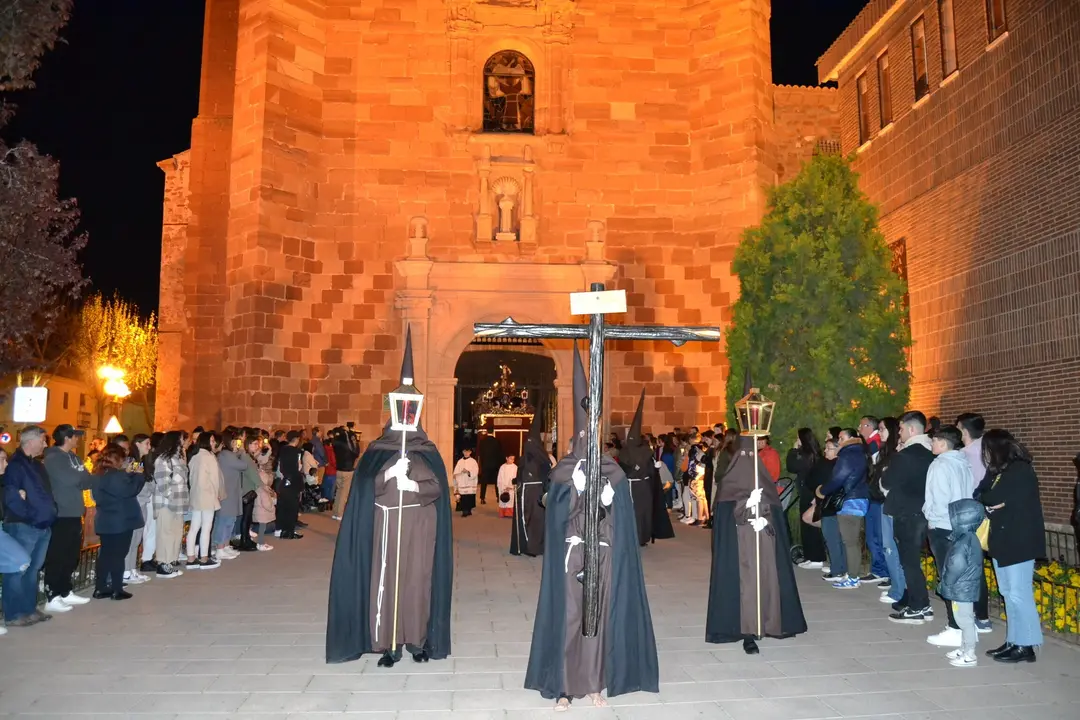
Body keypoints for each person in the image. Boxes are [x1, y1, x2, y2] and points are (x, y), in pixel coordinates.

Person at [525, 342, 658, 710]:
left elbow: (622, 518)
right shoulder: (564, 470)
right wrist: (572, 493)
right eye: (580, 439)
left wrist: (605, 501)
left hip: (603, 553)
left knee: (597, 619)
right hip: (571, 555)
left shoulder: (612, 469)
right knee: (570, 616)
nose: (586, 443)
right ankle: (566, 686)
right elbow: (553, 512)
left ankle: (597, 683)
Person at [326, 327, 453, 668]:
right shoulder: (379, 450)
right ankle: (389, 642)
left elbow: (438, 488)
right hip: (386, 527)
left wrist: (413, 487)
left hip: (420, 528)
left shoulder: (426, 450)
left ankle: (417, 639)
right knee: (389, 582)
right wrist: (387, 475)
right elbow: (364, 488)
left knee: (417, 583)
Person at [708, 428, 807, 654]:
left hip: (764, 545)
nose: (748, 460)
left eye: (751, 455)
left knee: (768, 582)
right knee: (746, 588)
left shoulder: (763, 479)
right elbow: (726, 518)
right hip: (741, 548)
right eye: (743, 455)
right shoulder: (729, 485)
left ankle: (770, 622)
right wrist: (744, 507)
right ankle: (748, 631)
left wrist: (766, 522)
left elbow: (774, 511)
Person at [978, 429, 1045, 664]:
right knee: (1008, 592)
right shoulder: (998, 471)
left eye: (987, 448)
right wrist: (994, 501)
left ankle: (1027, 645)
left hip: (1019, 540)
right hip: (1002, 539)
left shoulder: (1019, 470)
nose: (984, 454)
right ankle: (1014, 640)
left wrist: (995, 501)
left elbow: (993, 497)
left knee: (1019, 593)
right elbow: (981, 493)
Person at [924, 426, 977, 647]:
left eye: (934, 441)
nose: (931, 445)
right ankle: (966, 625)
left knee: (948, 578)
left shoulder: (939, 465)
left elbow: (939, 498)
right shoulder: (964, 464)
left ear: (943, 443)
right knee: (962, 577)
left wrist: (930, 517)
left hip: (943, 526)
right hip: (963, 525)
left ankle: (955, 627)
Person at [1, 427, 57, 627]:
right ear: (31, 441)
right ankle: (14, 613)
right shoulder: (16, 466)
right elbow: (12, 497)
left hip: (42, 524)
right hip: (24, 525)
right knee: (18, 569)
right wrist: (30, 516)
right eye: (43, 440)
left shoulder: (37, 465)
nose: (45, 444)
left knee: (32, 569)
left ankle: (29, 608)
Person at [882, 411, 935, 624]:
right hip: (924, 513)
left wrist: (888, 468)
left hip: (906, 514)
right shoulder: (932, 453)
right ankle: (922, 603)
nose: (899, 433)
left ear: (912, 430)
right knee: (914, 561)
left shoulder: (904, 456)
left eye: (901, 429)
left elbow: (886, 482)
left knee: (909, 562)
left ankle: (917, 607)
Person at [42, 424, 94, 612]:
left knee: (71, 555)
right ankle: (52, 595)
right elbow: (72, 479)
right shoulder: (54, 458)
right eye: (76, 436)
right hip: (61, 513)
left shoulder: (74, 457)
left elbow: (88, 479)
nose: (78, 439)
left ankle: (65, 590)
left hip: (74, 512)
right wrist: (79, 476)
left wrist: (79, 476)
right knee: (58, 555)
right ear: (67, 437)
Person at [619, 390, 674, 546]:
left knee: (640, 512)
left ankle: (639, 536)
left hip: (637, 486)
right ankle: (638, 537)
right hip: (639, 486)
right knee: (639, 512)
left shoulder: (635, 452)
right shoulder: (636, 452)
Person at [91, 444, 146, 600]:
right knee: (119, 555)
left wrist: (128, 474)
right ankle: (117, 589)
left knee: (106, 555)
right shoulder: (115, 476)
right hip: (121, 521)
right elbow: (130, 490)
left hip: (105, 520)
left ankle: (100, 587)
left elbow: (116, 489)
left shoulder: (98, 474)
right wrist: (138, 474)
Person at [816, 428, 869, 588]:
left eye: (841, 437)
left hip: (850, 500)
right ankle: (851, 574)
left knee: (850, 542)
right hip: (858, 498)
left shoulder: (848, 454)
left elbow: (838, 477)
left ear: (852, 438)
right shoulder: (859, 452)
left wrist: (822, 491)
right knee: (851, 541)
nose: (839, 440)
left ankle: (853, 577)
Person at [938, 499, 986, 668]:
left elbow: (956, 564)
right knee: (963, 619)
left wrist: (947, 582)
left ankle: (969, 653)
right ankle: (963, 648)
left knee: (964, 620)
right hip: (964, 587)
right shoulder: (968, 538)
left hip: (961, 588)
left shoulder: (963, 541)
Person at [151, 431, 189, 578]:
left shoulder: (178, 459)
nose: (183, 443)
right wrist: (171, 498)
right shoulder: (163, 460)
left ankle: (171, 562)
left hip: (179, 503)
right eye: (180, 440)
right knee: (165, 533)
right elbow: (162, 482)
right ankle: (163, 564)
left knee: (176, 533)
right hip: (167, 503)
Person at [787, 428, 825, 570]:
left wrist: (793, 449)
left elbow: (791, 466)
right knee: (807, 525)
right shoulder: (812, 453)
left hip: (809, 492)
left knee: (809, 524)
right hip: (808, 491)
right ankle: (811, 556)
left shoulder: (806, 455)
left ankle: (816, 557)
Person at [510, 411, 548, 556]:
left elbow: (547, 475)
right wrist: (517, 481)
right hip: (525, 494)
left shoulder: (543, 460)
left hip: (535, 496)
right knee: (528, 520)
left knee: (536, 520)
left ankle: (535, 546)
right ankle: (528, 546)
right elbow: (520, 474)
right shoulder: (526, 459)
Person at [187, 431, 223, 569]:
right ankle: (204, 558)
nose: (214, 443)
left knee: (194, 527)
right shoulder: (209, 456)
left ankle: (191, 558)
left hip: (196, 494)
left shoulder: (195, 456)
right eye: (212, 440)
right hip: (207, 494)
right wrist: (217, 493)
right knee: (206, 527)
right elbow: (214, 479)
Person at [275, 431, 305, 540]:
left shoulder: (283, 449)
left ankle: (279, 529)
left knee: (282, 506)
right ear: (296, 439)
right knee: (292, 507)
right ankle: (289, 531)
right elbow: (298, 467)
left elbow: (281, 465)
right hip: (293, 480)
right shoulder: (297, 452)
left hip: (284, 479)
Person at [477, 429, 505, 505]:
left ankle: (482, 498)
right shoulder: (497, 441)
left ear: (487, 432)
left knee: (484, 482)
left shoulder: (483, 441)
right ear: (493, 432)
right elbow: (500, 454)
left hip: (485, 465)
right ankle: (498, 497)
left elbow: (480, 454)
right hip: (495, 465)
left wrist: (482, 464)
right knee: (497, 482)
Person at [453, 447, 479, 518]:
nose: (466, 453)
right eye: (465, 451)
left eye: (468, 451)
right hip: (462, 481)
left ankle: (469, 509)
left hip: (470, 482)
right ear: (463, 452)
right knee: (463, 497)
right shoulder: (460, 461)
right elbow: (456, 471)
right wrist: (458, 473)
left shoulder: (473, 461)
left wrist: (468, 472)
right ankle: (464, 511)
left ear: (470, 452)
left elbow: (475, 471)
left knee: (469, 496)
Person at [497, 454, 517, 518]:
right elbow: (500, 477)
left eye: (513, 459)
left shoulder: (515, 467)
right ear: (506, 458)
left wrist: (510, 486)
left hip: (510, 487)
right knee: (503, 499)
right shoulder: (502, 467)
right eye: (511, 458)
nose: (512, 460)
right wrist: (503, 487)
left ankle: (509, 513)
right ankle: (502, 513)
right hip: (503, 487)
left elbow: (515, 478)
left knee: (510, 500)